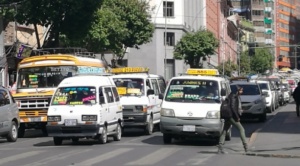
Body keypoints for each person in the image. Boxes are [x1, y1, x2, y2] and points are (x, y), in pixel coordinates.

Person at [218, 86, 248, 154]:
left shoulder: (231, 96)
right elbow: (233, 107)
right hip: (231, 116)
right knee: (241, 129)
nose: (242, 92)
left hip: (228, 115)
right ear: (237, 91)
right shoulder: (234, 97)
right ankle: (246, 146)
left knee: (225, 130)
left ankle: (220, 146)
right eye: (241, 90)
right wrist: (237, 117)